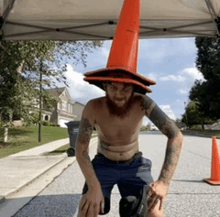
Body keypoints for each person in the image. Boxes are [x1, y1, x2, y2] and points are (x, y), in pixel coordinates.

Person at [75, 71, 183, 217]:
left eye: (126, 88)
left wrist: (164, 182)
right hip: (103, 163)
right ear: (105, 87)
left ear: (134, 88)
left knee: (154, 212)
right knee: (86, 210)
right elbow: (81, 148)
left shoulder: (143, 103)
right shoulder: (93, 107)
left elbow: (176, 135)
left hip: (135, 164)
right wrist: (93, 187)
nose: (119, 94)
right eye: (113, 88)